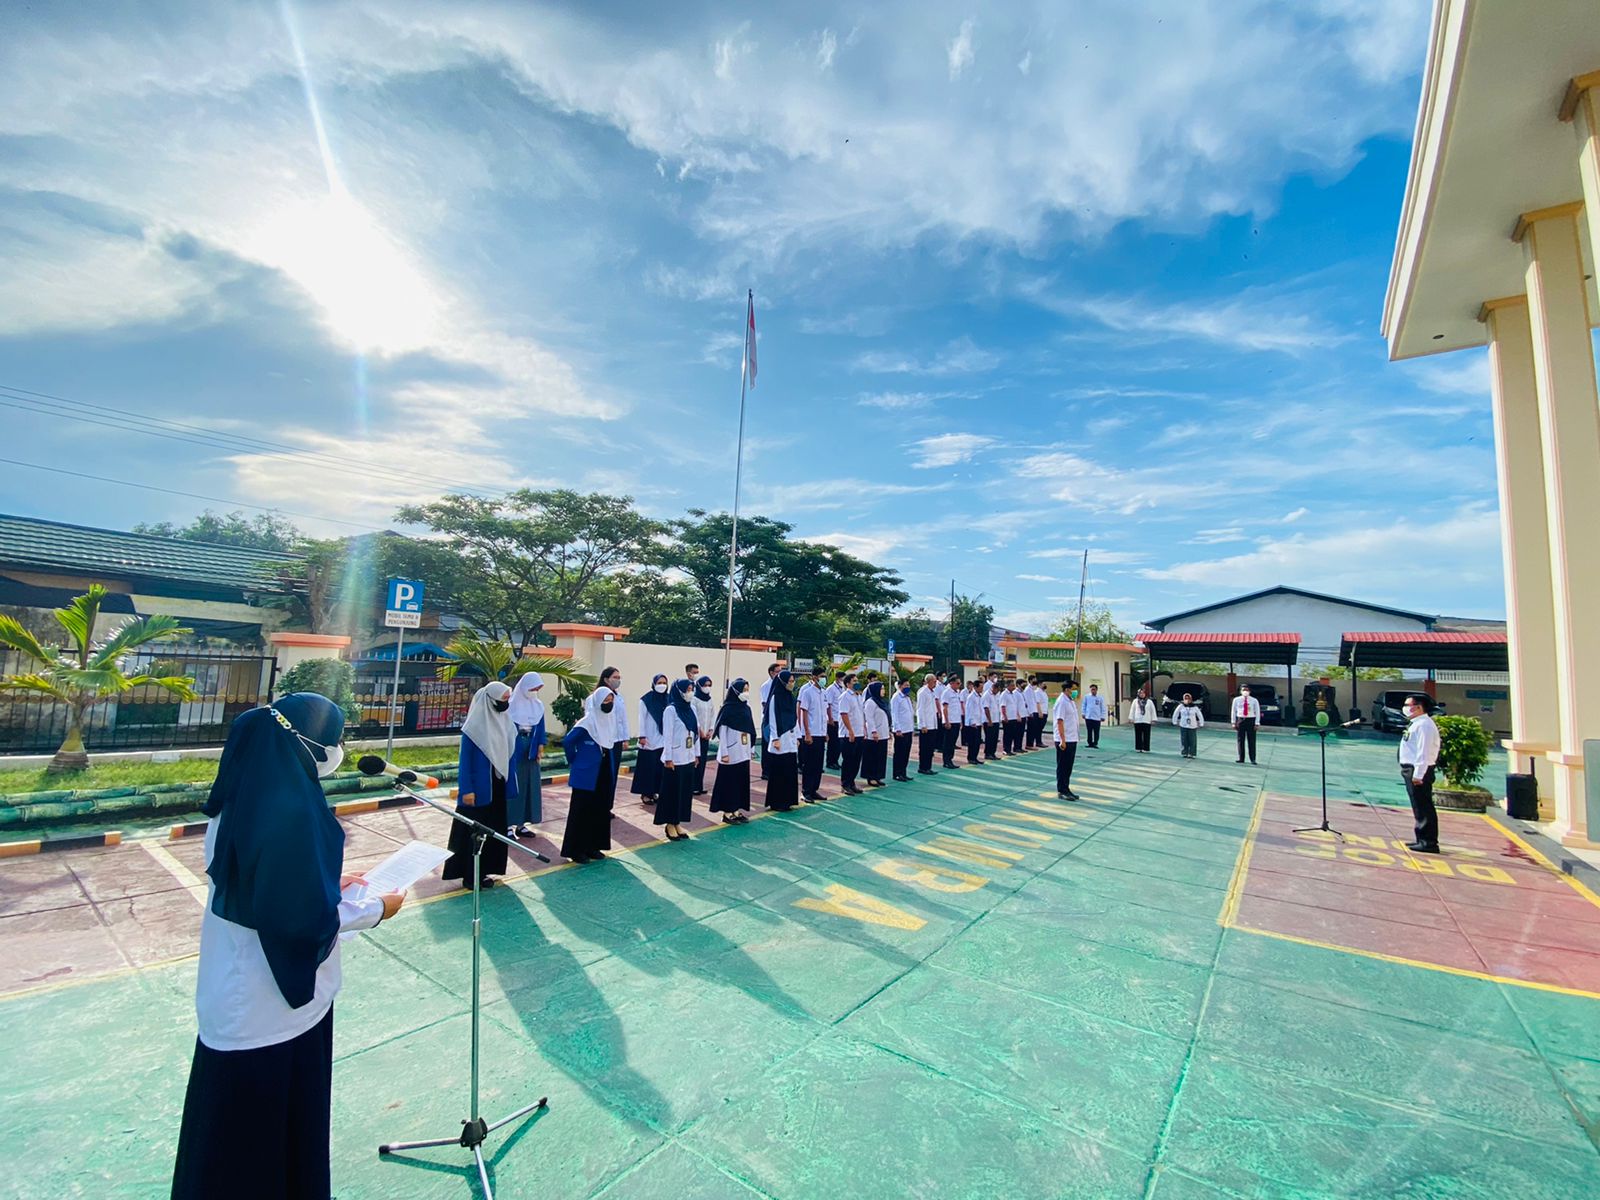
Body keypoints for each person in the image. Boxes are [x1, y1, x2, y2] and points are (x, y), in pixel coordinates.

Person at [171, 693, 403, 1200]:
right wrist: (376, 908)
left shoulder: (244, 802)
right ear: (306, 745)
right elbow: (298, 921)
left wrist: (327, 881)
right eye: (335, 739)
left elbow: (268, 888)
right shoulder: (289, 814)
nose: (339, 750)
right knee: (260, 1157)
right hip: (270, 1012)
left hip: (237, 998)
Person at [442, 681, 518, 889]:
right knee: (473, 833)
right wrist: (467, 789)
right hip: (478, 790)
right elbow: (465, 762)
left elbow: (510, 755)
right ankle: (470, 876)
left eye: (507, 699)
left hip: (498, 786)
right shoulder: (473, 728)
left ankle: (485, 870)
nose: (505, 703)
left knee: (494, 830)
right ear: (490, 700)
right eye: (502, 699)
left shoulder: (506, 723)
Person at [562, 688, 617, 863]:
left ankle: (594, 846)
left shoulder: (609, 720)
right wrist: (575, 760)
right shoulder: (587, 722)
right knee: (581, 810)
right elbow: (568, 741)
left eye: (611, 700)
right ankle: (576, 850)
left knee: (600, 808)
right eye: (605, 701)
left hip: (603, 770)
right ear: (597, 702)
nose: (609, 704)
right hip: (586, 772)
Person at [655, 678, 698, 841]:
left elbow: (695, 732)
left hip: (688, 756)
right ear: (679, 691)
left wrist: (696, 754)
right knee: (672, 793)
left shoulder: (691, 708)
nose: (690, 693)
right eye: (687, 690)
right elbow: (668, 735)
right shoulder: (671, 710)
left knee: (684, 793)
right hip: (675, 758)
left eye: (691, 689)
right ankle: (669, 824)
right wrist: (668, 758)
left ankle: (678, 822)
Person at [1399, 695, 1441, 853]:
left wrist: (1418, 775)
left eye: (1407, 705)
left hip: (1418, 770)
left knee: (1423, 806)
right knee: (1418, 806)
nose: (1405, 708)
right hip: (1412, 769)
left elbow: (1423, 752)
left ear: (1418, 707)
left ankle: (1428, 842)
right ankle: (1421, 838)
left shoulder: (1424, 725)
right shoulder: (1417, 724)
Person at [506, 672, 546, 839]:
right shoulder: (510, 706)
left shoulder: (538, 706)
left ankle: (521, 824)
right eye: (532, 688)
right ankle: (508, 825)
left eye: (537, 689)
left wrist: (540, 745)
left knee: (530, 785)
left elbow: (541, 727)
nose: (534, 692)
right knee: (514, 785)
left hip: (531, 747)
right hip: (515, 746)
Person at [711, 680, 756, 823]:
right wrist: (724, 752)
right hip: (731, 753)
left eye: (747, 689)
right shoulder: (727, 709)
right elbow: (722, 732)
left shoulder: (746, 709)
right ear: (736, 692)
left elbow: (751, 730)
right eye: (743, 690)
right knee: (729, 783)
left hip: (743, 752)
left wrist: (752, 748)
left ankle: (736, 809)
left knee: (740, 782)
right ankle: (727, 812)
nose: (746, 693)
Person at [763, 669, 801, 811]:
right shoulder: (775, 698)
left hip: (790, 737)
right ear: (783, 682)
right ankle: (777, 802)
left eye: (793, 681)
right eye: (790, 681)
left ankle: (788, 800)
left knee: (790, 770)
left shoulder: (791, 697)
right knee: (779, 772)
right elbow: (772, 719)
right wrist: (775, 739)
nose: (792, 684)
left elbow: (794, 718)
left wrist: (797, 736)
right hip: (780, 737)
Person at [632, 673, 670, 805]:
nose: (662, 685)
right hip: (649, 739)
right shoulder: (646, 700)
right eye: (659, 683)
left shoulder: (668, 699)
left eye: (664, 683)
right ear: (653, 684)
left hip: (663, 738)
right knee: (648, 768)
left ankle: (655, 792)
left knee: (659, 768)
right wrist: (642, 736)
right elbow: (641, 718)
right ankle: (646, 794)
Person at [797, 666, 830, 801]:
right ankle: (806, 792)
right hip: (811, 733)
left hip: (821, 733)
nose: (824, 679)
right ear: (814, 677)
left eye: (824, 676)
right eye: (821, 676)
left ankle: (814, 789)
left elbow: (824, 714)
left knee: (818, 764)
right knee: (809, 764)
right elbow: (804, 713)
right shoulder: (807, 692)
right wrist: (807, 732)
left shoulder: (824, 693)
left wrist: (825, 732)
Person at [1051, 684, 1081, 800]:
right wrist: (1062, 740)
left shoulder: (1070, 701)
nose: (1075, 691)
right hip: (1065, 739)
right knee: (1063, 766)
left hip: (1072, 738)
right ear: (1067, 689)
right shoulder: (1062, 702)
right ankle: (1061, 790)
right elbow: (1060, 721)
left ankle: (1066, 788)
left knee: (1068, 766)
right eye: (1074, 689)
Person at [837, 672, 865, 795]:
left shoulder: (858, 696)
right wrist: (850, 730)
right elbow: (844, 714)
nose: (857, 683)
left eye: (857, 681)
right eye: (854, 681)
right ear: (848, 684)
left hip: (859, 732)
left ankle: (852, 782)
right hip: (848, 734)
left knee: (856, 760)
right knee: (848, 760)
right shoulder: (845, 696)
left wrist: (863, 729)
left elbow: (860, 714)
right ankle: (845, 784)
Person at [861, 679, 891, 787]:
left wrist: (888, 730)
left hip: (883, 733)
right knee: (872, 756)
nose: (883, 691)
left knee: (881, 756)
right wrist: (873, 731)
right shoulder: (870, 702)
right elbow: (869, 718)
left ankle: (878, 776)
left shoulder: (882, 702)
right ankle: (871, 777)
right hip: (874, 734)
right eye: (881, 689)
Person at [690, 674, 716, 794]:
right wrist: (699, 730)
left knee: (703, 760)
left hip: (706, 736)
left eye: (709, 685)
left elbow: (712, 715)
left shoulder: (709, 700)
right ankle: (693, 786)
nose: (707, 687)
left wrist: (711, 730)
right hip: (697, 736)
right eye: (705, 685)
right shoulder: (694, 700)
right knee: (696, 760)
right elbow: (694, 717)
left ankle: (699, 785)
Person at [758, 662, 781, 780]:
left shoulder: (780, 685)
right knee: (767, 745)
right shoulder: (766, 686)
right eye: (777, 672)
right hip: (768, 720)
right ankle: (766, 771)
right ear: (771, 673)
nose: (779, 674)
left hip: (778, 720)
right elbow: (765, 703)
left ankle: (774, 769)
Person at [916, 673, 942, 775]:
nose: (935, 683)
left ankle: (928, 767)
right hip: (926, 725)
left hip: (932, 724)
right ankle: (923, 767)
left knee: (930, 748)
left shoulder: (932, 692)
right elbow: (920, 709)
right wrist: (922, 724)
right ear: (928, 681)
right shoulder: (923, 692)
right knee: (924, 748)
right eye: (934, 681)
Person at [890, 679, 915, 782]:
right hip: (901, 730)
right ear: (900, 686)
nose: (907, 687)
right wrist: (897, 729)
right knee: (899, 753)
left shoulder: (907, 697)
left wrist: (912, 728)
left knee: (906, 753)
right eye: (905, 685)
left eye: (908, 685)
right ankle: (897, 773)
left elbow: (910, 713)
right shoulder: (896, 697)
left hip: (908, 729)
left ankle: (903, 772)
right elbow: (894, 714)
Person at [1231, 684, 1259, 765]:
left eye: (1247, 690)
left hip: (1251, 720)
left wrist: (1257, 723)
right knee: (1240, 740)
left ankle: (1253, 759)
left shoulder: (1254, 700)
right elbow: (1233, 711)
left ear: (1249, 691)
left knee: (1252, 740)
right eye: (1243, 690)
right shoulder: (1236, 700)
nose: (1245, 691)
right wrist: (1233, 722)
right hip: (1241, 720)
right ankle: (1241, 758)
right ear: (1240, 691)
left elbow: (1257, 712)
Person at [939, 673, 963, 769]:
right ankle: (946, 761)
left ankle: (950, 759)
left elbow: (957, 708)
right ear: (952, 683)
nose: (959, 685)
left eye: (960, 683)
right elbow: (945, 708)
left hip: (956, 720)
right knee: (948, 742)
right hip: (950, 721)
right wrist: (946, 721)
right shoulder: (947, 692)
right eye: (957, 683)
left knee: (952, 742)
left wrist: (960, 720)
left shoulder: (956, 692)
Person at [1172, 692, 1205, 759]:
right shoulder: (1181, 706)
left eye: (1188, 698)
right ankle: (1184, 752)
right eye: (1185, 698)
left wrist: (1201, 723)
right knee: (1184, 739)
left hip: (1192, 725)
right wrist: (1174, 721)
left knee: (1192, 740)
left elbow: (1199, 715)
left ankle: (1192, 753)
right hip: (1183, 725)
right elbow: (1176, 713)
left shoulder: (1195, 707)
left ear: (1191, 699)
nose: (1187, 700)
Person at [962, 678, 985, 764]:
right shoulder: (971, 697)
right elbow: (969, 710)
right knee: (972, 742)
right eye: (980, 687)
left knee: (977, 742)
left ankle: (975, 757)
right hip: (973, 723)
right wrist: (972, 722)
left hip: (978, 722)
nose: (982, 689)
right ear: (975, 687)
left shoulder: (979, 696)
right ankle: (971, 758)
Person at [823, 671, 844, 770]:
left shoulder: (842, 688)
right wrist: (830, 718)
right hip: (833, 719)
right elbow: (828, 705)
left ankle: (835, 761)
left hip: (839, 719)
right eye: (842, 679)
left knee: (838, 743)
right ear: (837, 678)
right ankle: (830, 762)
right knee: (833, 742)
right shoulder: (831, 689)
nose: (843, 681)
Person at [1130, 688, 1156, 752]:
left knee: (1146, 735)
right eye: (1140, 693)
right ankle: (1138, 748)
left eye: (1143, 693)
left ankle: (1146, 748)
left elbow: (1153, 710)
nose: (1142, 694)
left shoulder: (1149, 701)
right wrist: (1131, 718)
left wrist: (1153, 719)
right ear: (1138, 694)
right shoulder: (1135, 701)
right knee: (1138, 735)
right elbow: (1132, 710)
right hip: (1137, 720)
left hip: (1146, 720)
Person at [1081, 683, 1107, 748]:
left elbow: (1102, 707)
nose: (1093, 691)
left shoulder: (1100, 698)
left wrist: (1103, 716)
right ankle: (1090, 743)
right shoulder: (1087, 697)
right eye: (1092, 689)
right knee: (1089, 731)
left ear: (1096, 690)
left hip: (1097, 717)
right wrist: (1083, 713)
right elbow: (1084, 705)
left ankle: (1095, 743)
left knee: (1096, 731)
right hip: (1088, 717)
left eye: (1094, 689)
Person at [983, 675, 1002, 760]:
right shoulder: (987, 695)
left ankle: (992, 753)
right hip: (989, 721)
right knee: (989, 738)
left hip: (996, 720)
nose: (998, 692)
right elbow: (986, 708)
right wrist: (989, 720)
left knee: (994, 738)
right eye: (997, 690)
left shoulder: (995, 695)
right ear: (994, 688)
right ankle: (988, 753)